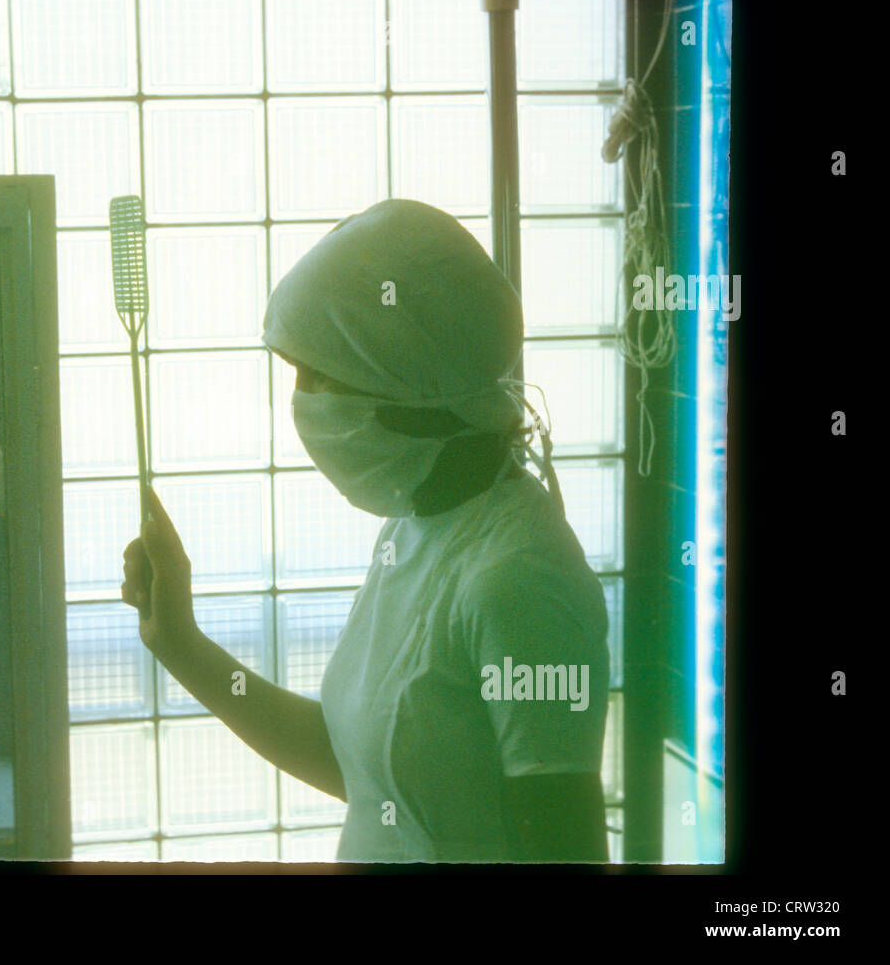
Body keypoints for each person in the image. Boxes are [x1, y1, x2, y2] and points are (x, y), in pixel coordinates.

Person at [121, 198, 610, 862]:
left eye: (316, 375)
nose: (300, 402)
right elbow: (362, 764)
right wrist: (181, 644)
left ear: (405, 386)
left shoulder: (518, 579)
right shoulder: (416, 527)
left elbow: (564, 850)